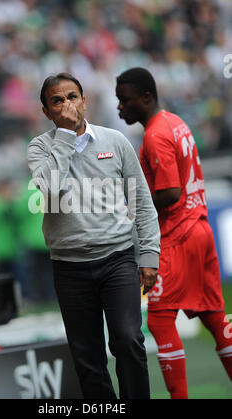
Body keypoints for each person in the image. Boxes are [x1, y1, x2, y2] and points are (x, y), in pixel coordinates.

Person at [27, 72, 160, 399]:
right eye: (57, 100)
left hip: (117, 260)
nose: (67, 105)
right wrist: (66, 137)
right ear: (46, 112)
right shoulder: (38, 148)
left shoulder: (115, 141)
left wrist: (149, 254)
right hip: (69, 267)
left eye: (72, 97)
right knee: (87, 357)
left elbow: (141, 201)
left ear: (85, 100)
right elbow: (53, 191)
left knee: (129, 340)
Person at [116, 67, 232, 399]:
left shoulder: (154, 135)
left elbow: (169, 193)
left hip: (176, 235)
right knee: (214, 318)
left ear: (146, 97)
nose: (121, 107)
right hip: (201, 229)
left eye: (125, 100)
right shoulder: (176, 122)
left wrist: (130, 208)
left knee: (160, 322)